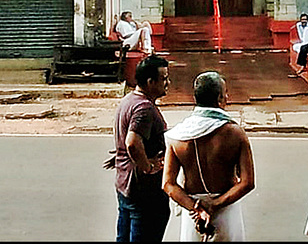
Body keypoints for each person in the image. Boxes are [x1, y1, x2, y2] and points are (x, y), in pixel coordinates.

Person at [162, 71, 255, 241]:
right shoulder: (235, 134)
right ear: (220, 98)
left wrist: (196, 208)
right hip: (226, 211)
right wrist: (214, 205)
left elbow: (168, 184)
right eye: (225, 93)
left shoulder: (178, 136)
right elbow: (247, 182)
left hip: (193, 216)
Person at [106, 54, 171, 242]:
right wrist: (148, 167)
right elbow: (132, 142)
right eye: (164, 78)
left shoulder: (129, 100)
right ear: (150, 82)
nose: (168, 82)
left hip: (125, 185)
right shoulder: (144, 109)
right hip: (143, 191)